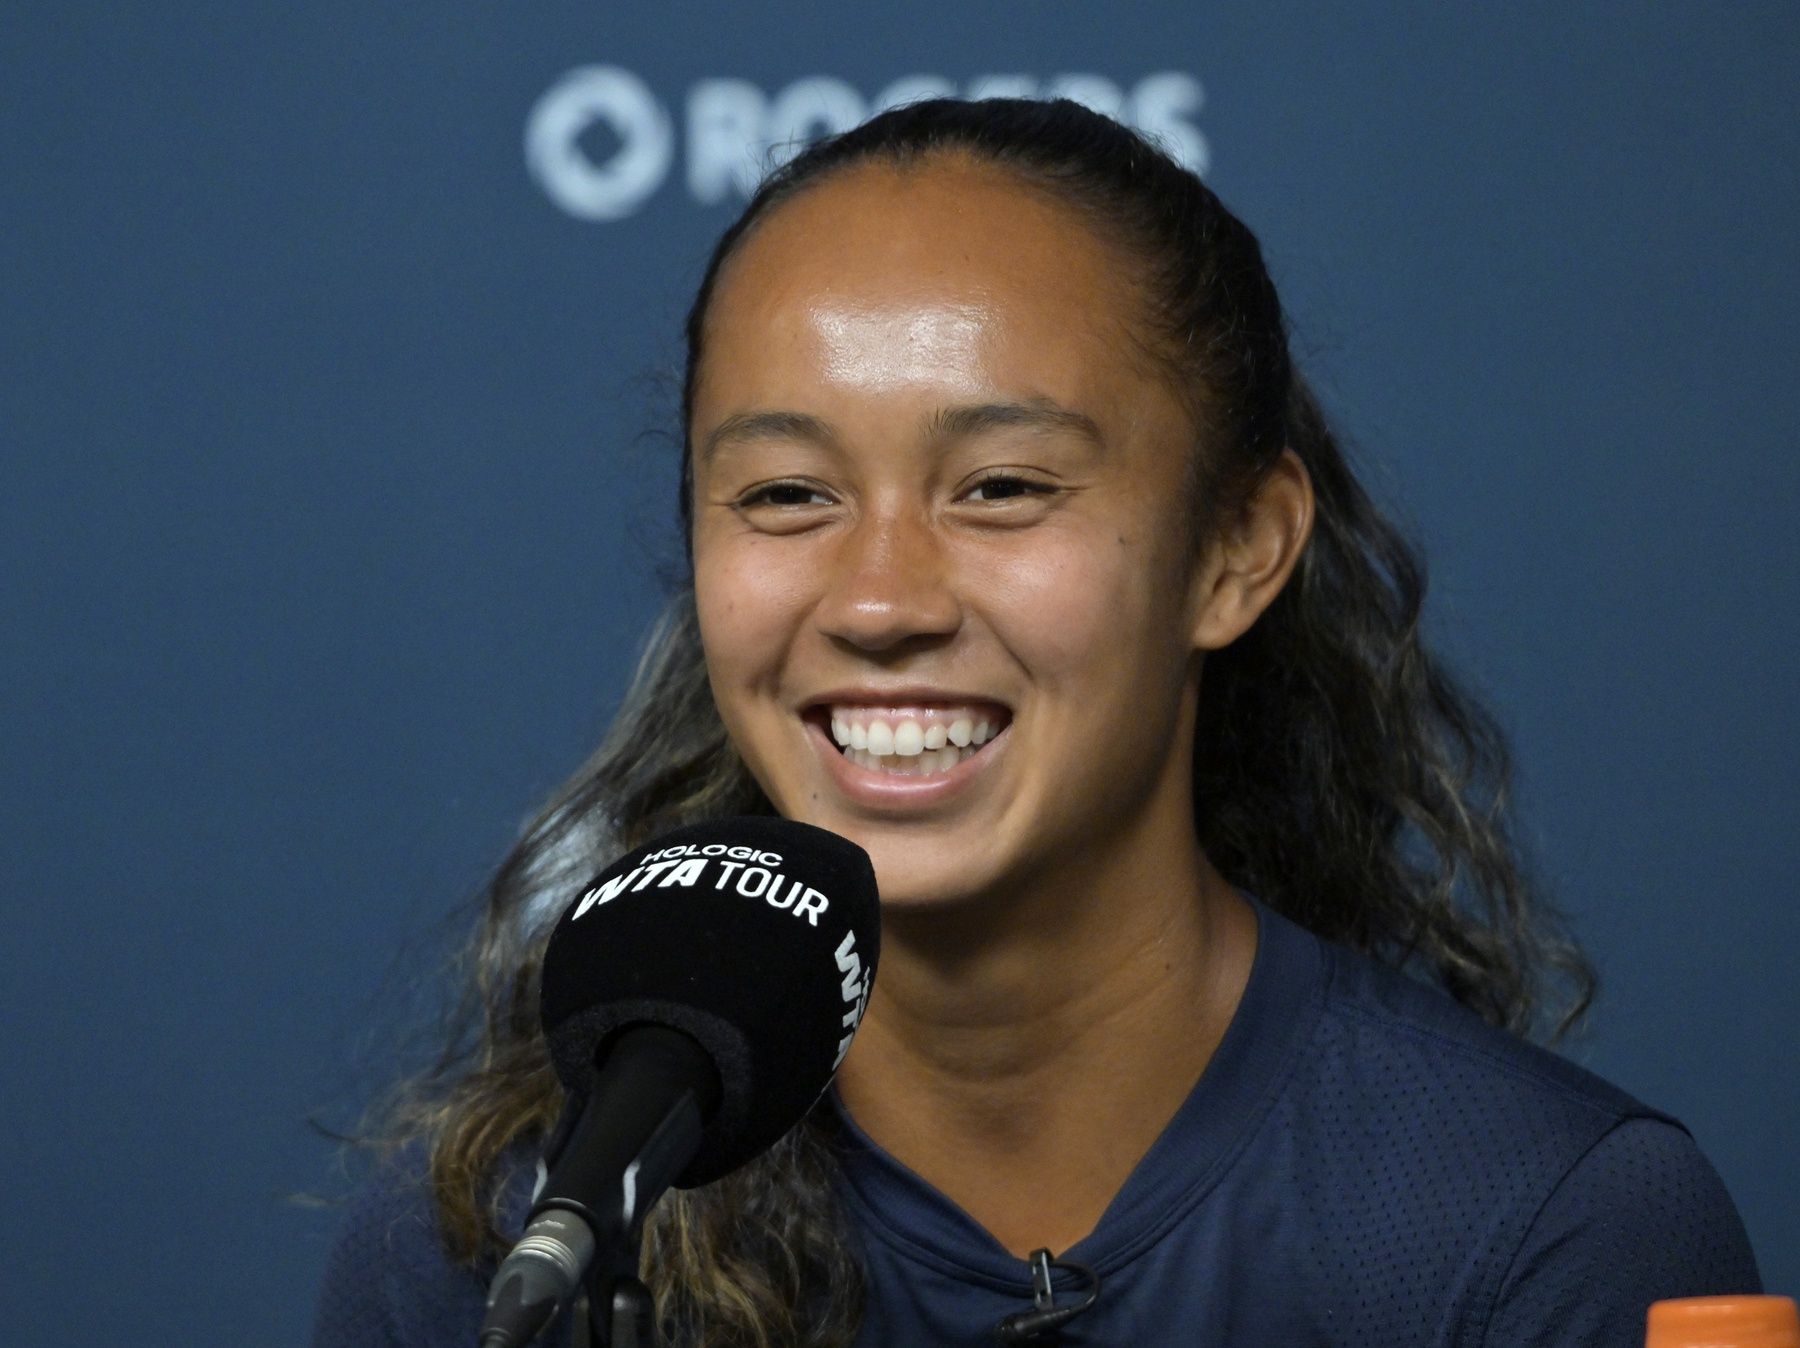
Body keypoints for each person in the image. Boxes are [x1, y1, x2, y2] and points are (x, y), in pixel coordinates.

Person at [313, 98, 1759, 1347]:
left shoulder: (1541, 1230)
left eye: (1001, 487)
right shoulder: (517, 1250)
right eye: (786, 497)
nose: (879, 600)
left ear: (1236, 551)